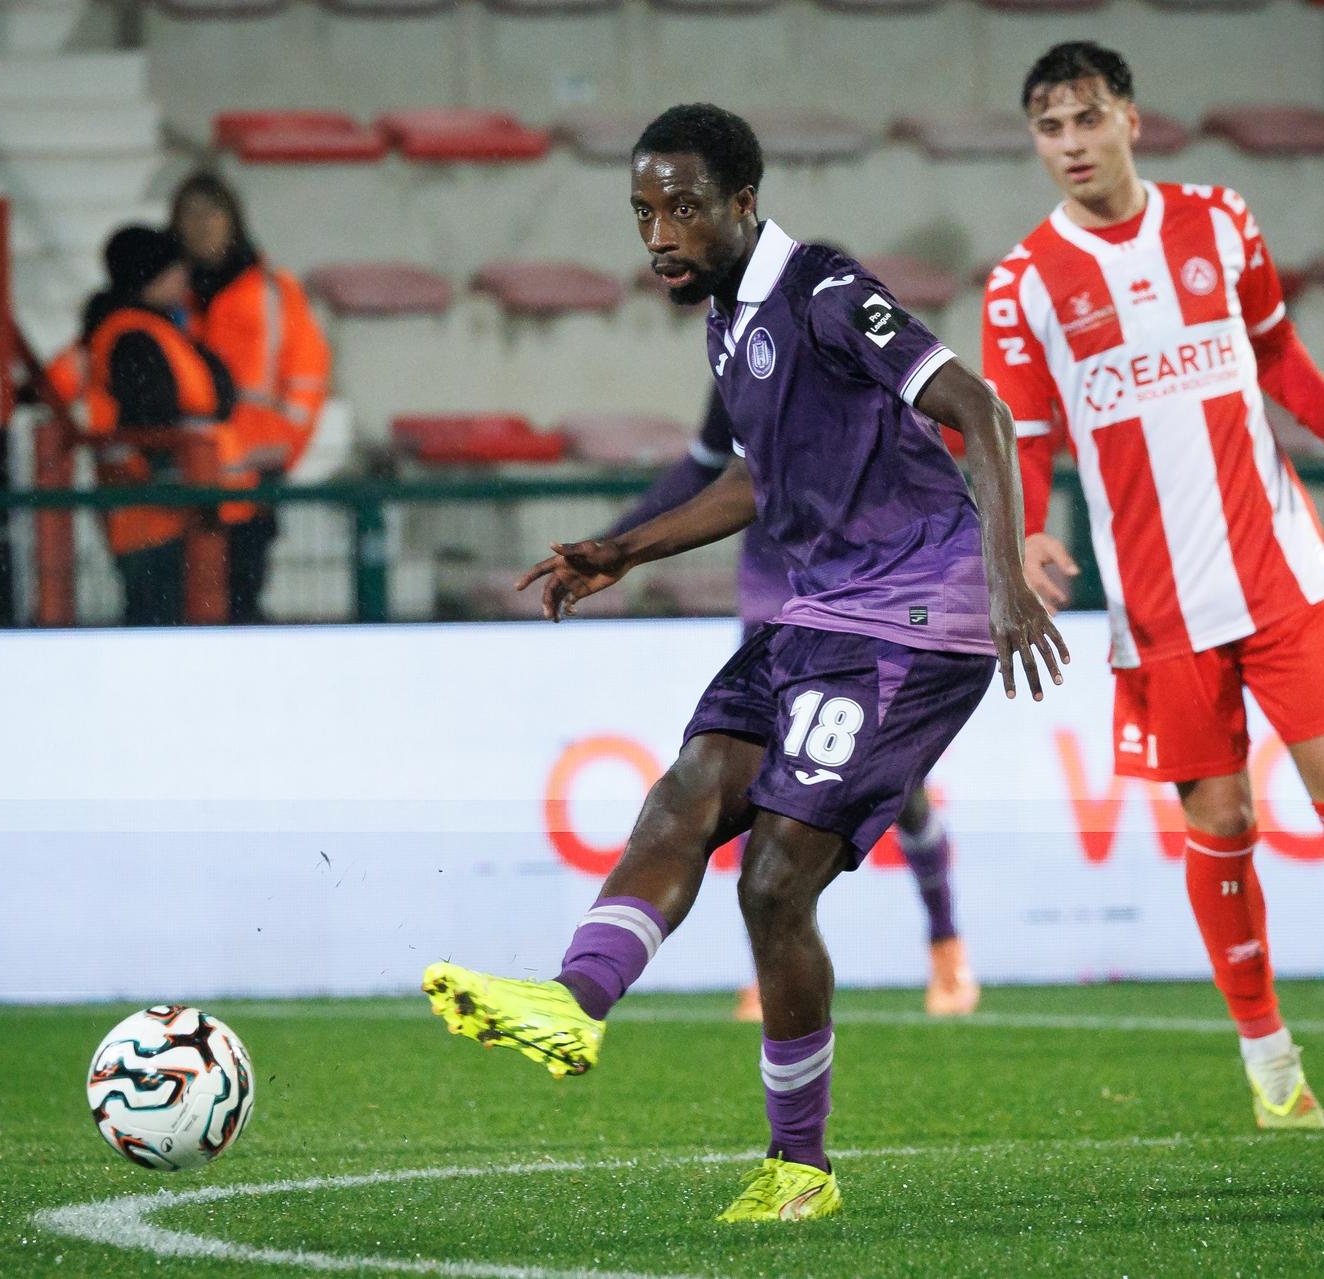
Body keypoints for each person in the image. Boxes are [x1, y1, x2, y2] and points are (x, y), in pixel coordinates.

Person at [421, 103, 1066, 1222]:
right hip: (818, 614)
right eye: (642, 213)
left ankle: (800, 1168)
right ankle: (576, 1004)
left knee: (775, 882)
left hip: (915, 616)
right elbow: (755, 482)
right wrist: (624, 548)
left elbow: (981, 408)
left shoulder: (822, 289)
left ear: (743, 202)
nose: (658, 234)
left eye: (680, 208)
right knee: (683, 797)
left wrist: (1007, 578)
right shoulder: (727, 323)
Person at [987, 42, 1324, 1131]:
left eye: (1086, 119)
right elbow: (1024, 432)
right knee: (1222, 816)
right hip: (1157, 599)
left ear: (1130, 115)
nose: (1070, 145)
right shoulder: (1023, 282)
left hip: (1276, 566)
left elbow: (1273, 347)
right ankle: (1269, 1056)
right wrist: (1029, 530)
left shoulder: (1219, 219)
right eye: (1048, 128)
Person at [608, 386, 982, 1021]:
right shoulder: (736, 354)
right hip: (771, 603)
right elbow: (707, 469)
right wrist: (616, 545)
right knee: (741, 784)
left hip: (864, 603)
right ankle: (768, 966)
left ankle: (945, 939)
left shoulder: (856, 345)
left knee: (903, 787)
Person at [170, 171, 332, 623]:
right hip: (183, 475)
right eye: (190, 213)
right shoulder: (166, 294)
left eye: (212, 212)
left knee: (242, 604)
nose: (202, 224)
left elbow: (308, 376)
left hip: (253, 475)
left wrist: (279, 453)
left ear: (233, 220)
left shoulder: (274, 291)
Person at [79, 226, 237, 626]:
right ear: (150, 277)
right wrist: (173, 481)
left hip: (167, 516)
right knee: (161, 627)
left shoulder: (156, 329)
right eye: (173, 269)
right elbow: (154, 420)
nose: (184, 277)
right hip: (155, 519)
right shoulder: (135, 336)